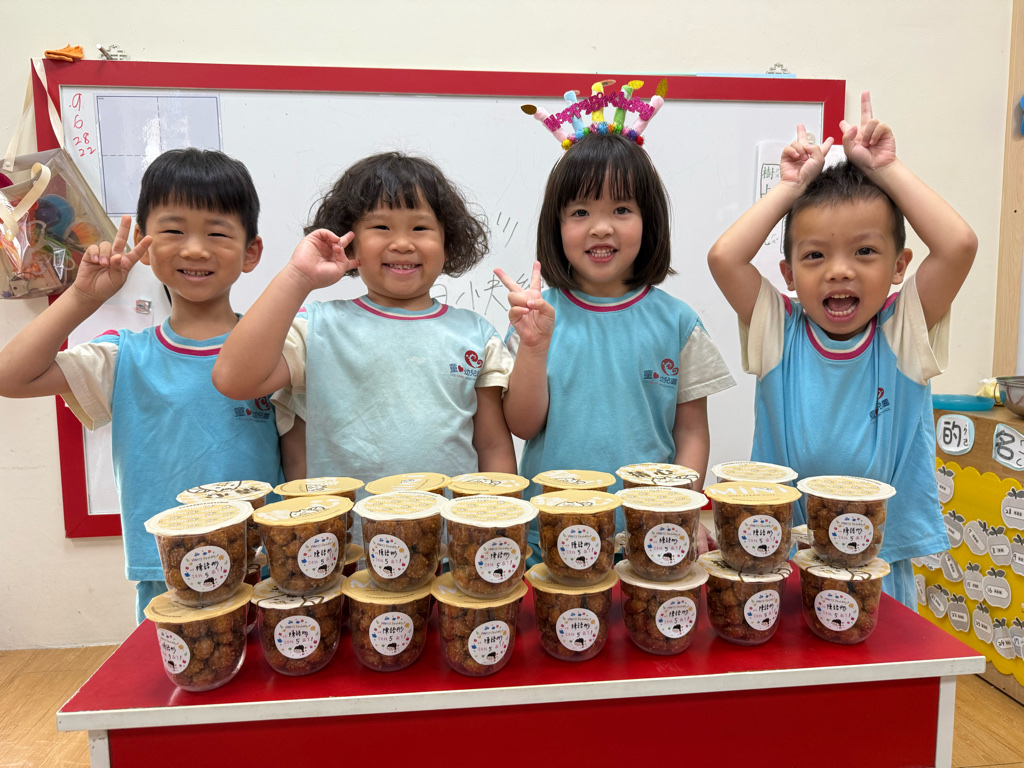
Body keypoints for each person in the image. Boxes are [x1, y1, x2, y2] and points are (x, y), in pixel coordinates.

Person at [707, 92, 977, 609]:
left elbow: (959, 245)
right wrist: (791, 187)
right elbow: (724, 258)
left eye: (865, 251)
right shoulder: (779, 332)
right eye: (815, 255)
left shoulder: (903, 333)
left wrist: (885, 169)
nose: (839, 270)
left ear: (899, 266)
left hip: (877, 564)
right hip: (781, 559)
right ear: (788, 274)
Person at [0, 148, 292, 623]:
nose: (194, 249)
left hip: (263, 570)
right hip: (167, 573)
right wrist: (82, 296)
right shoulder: (124, 356)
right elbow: (11, 376)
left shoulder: (276, 354)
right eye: (173, 231)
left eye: (217, 233)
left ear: (251, 252)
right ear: (143, 240)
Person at [212, 152, 517, 525]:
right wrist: (298, 277)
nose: (402, 243)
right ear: (351, 242)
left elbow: (492, 445)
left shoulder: (475, 333)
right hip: (345, 546)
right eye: (381, 227)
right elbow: (233, 379)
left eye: (420, 228)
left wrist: (500, 526)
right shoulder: (318, 327)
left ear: (448, 242)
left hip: (452, 543)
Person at [495, 129, 735, 555]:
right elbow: (522, 426)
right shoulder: (537, 318)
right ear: (556, 225)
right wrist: (533, 347)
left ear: (649, 220)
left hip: (649, 533)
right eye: (580, 212)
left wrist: (682, 510)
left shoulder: (678, 322)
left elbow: (691, 433)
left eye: (621, 209)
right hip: (550, 532)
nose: (601, 228)